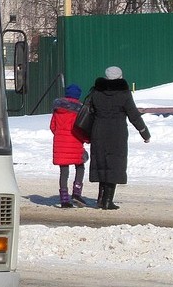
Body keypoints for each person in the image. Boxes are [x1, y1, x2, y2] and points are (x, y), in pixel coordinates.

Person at [85, 65, 150, 210]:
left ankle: (100, 199)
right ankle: (108, 201)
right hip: (117, 133)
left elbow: (90, 111)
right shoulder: (124, 93)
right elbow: (133, 114)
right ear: (120, 77)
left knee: (101, 162)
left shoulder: (96, 91)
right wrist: (144, 132)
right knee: (114, 164)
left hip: (99, 131)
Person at [50, 83, 87, 207]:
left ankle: (64, 199)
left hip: (60, 143)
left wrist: (60, 135)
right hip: (75, 141)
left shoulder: (58, 109)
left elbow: (53, 127)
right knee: (80, 166)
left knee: (64, 171)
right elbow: (81, 127)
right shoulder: (79, 110)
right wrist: (85, 139)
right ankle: (76, 192)